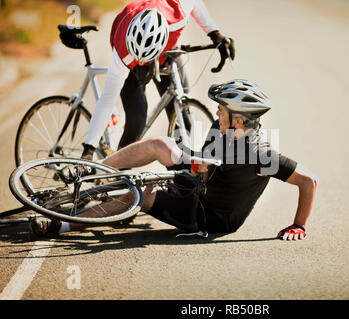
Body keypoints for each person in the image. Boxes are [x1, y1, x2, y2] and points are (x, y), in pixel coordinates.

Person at [30, 80, 318, 241]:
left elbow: (308, 181)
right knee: (160, 144)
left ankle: (60, 226)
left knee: (140, 195)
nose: (216, 114)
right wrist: (185, 162)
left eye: (221, 111)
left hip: (205, 215)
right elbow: (207, 162)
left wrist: (299, 225)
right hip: (198, 183)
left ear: (240, 119)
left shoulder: (261, 155)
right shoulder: (223, 128)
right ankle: (93, 169)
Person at [80, 0, 235, 160]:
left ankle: (181, 174)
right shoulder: (123, 52)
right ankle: (118, 170)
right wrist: (88, 149)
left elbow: (194, 2)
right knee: (137, 119)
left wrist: (215, 34)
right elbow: (107, 100)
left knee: (183, 118)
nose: (143, 62)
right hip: (132, 57)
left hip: (167, 53)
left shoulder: (177, 14)